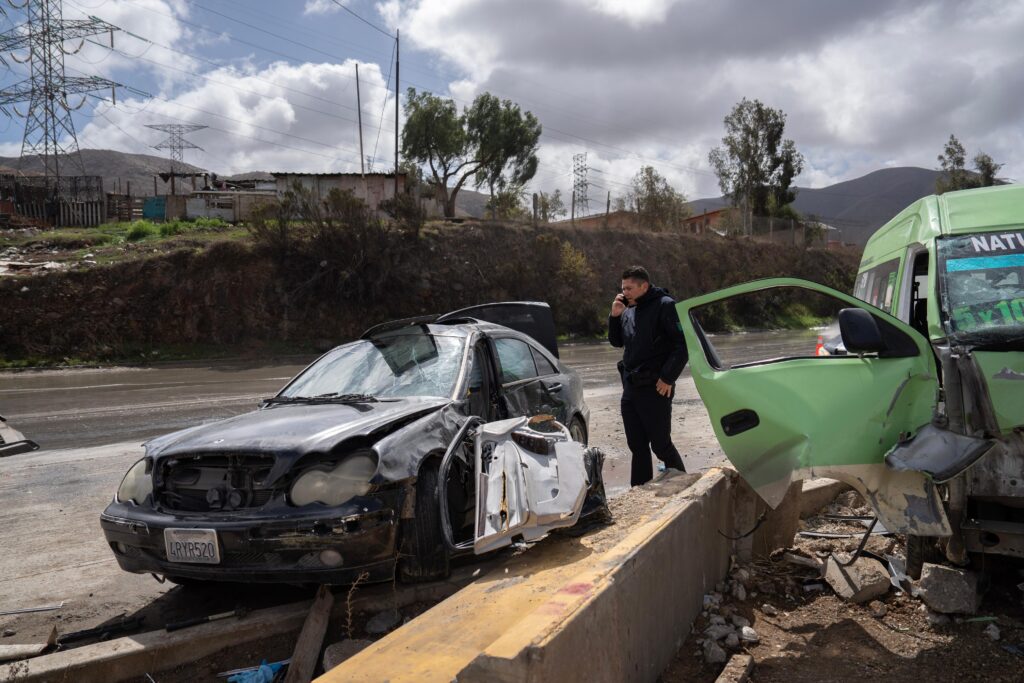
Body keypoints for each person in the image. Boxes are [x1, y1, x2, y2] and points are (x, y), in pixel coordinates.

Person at [608, 265, 688, 486]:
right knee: (637, 446)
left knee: (661, 444)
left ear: (644, 286)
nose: (625, 292)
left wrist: (668, 377)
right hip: (631, 387)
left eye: (630, 288)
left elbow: (682, 345)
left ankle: (683, 484)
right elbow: (616, 342)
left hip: (656, 386)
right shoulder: (628, 309)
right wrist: (615, 316)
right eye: (623, 288)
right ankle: (640, 491)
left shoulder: (665, 305)